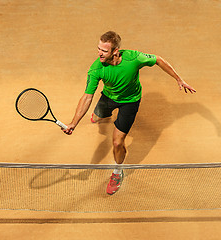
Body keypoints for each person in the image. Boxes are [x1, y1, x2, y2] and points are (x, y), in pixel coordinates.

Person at [62, 31, 196, 195]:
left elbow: (158, 60)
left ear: (115, 51)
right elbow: (87, 97)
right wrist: (73, 123)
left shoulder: (134, 58)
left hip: (130, 101)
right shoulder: (96, 69)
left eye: (104, 51)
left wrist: (178, 79)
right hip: (109, 97)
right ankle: (100, 115)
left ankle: (118, 172)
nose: (99, 53)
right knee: (97, 116)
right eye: (98, 49)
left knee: (118, 142)